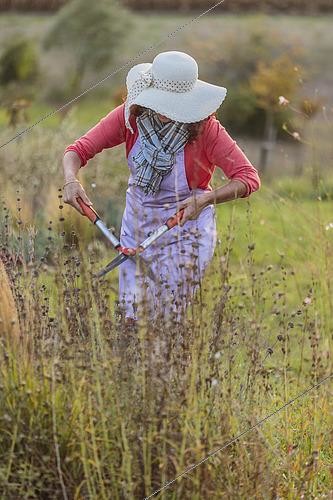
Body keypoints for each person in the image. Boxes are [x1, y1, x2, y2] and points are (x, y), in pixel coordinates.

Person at [63, 51, 260, 325]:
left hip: (185, 229)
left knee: (165, 318)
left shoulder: (207, 131)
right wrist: (72, 180)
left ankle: (172, 364)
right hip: (136, 225)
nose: (166, 110)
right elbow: (77, 150)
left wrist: (204, 200)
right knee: (130, 318)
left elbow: (248, 178)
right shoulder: (129, 118)